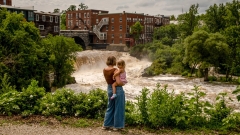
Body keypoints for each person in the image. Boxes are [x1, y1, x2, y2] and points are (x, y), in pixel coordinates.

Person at [102, 56, 125, 130]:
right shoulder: (115, 70)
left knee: (110, 107)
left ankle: (106, 125)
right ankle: (117, 126)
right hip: (117, 89)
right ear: (114, 61)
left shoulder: (104, 70)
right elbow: (118, 82)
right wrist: (123, 83)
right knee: (119, 107)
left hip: (109, 88)